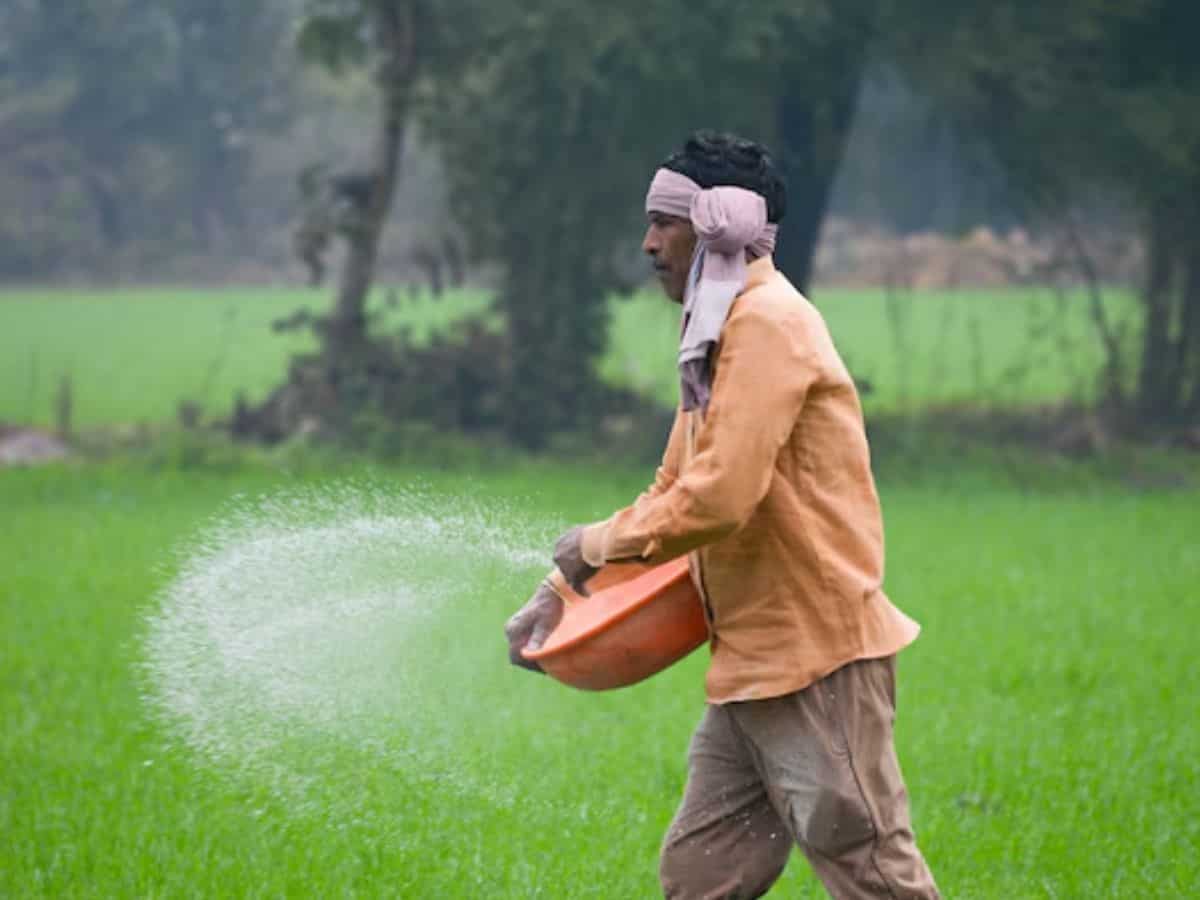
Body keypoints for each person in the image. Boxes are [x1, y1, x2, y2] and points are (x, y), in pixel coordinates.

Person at [505, 131, 940, 899]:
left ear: (718, 225)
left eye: (664, 221)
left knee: (873, 874)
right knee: (702, 874)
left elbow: (718, 499)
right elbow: (674, 486)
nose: (647, 243)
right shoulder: (716, 328)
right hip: (750, 669)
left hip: (816, 665)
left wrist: (594, 542)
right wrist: (566, 589)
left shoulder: (769, 324)